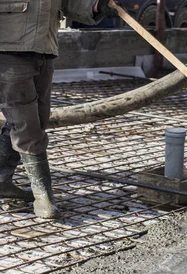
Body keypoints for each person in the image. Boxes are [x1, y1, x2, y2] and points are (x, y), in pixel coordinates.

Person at [0, 0, 118, 219]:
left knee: (37, 119)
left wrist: (94, 6)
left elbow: (68, 2)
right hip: (9, 50)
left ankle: (1, 180)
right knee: (27, 126)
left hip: (44, 49)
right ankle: (43, 197)